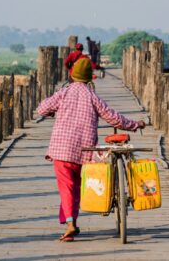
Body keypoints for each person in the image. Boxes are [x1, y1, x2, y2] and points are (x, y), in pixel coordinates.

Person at [37, 58, 146, 242]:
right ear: (90, 78)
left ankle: (70, 222)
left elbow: (42, 109)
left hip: (61, 150)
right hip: (84, 152)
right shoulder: (92, 96)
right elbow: (114, 118)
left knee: (66, 187)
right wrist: (135, 124)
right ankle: (70, 220)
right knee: (78, 187)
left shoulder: (63, 93)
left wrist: (51, 112)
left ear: (71, 75)